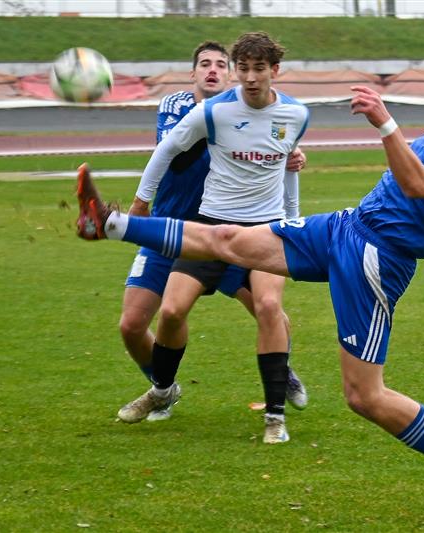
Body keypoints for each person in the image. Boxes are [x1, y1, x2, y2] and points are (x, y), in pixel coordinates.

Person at [77, 50, 424, 518]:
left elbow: (421, 186)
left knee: (364, 395)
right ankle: (109, 224)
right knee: (227, 239)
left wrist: (385, 124)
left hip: (378, 259)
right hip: (346, 227)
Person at [114, 32, 311, 444]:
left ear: (274, 71)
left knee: (269, 307)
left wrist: (293, 220)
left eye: (258, 69)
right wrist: (141, 201)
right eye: (243, 68)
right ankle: (162, 390)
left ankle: (276, 410)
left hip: (263, 230)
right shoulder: (204, 111)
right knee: (166, 313)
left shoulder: (295, 113)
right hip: (201, 229)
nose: (250, 77)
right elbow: (169, 150)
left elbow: (286, 164)